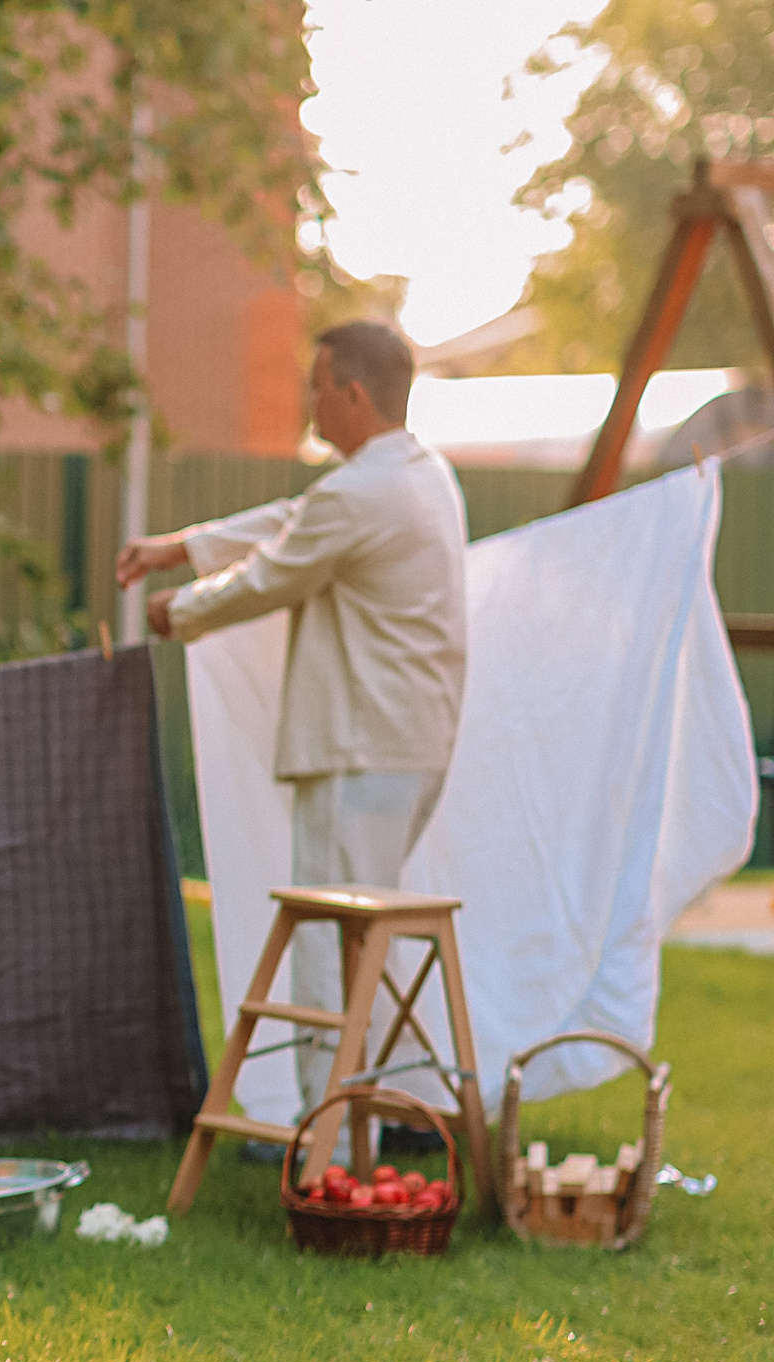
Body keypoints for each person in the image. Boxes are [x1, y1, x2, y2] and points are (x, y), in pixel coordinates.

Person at [115, 319, 469, 1121]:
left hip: (360, 748)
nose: (309, 402)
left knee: (327, 951)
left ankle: (330, 1149)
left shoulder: (366, 492)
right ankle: (383, 1123)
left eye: (317, 386)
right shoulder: (418, 475)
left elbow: (276, 569)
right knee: (361, 948)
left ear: (352, 393)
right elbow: (297, 518)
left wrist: (183, 610)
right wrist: (184, 545)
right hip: (404, 744)